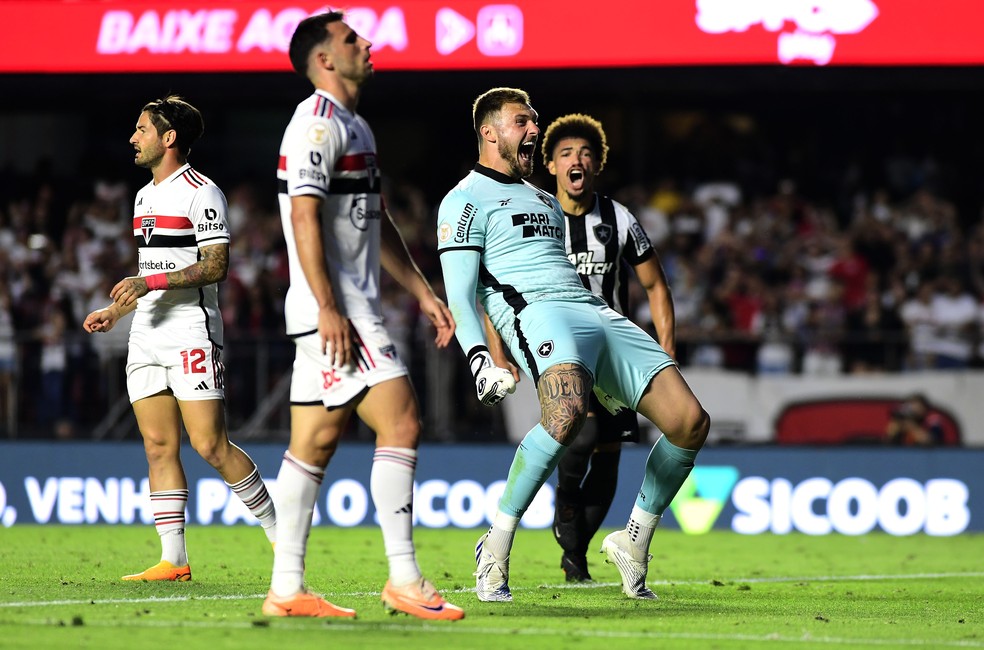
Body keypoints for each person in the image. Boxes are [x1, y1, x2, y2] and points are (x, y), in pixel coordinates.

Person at [437, 88, 709, 602]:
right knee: (564, 417)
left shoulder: (544, 199)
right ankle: (494, 546)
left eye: (534, 121)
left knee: (690, 422)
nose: (534, 130)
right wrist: (480, 359)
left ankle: (633, 543)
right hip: (536, 313)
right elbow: (460, 294)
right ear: (489, 131)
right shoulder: (463, 199)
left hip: (594, 311)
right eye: (523, 121)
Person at [263, 12, 463, 620]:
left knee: (314, 445)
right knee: (400, 421)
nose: (367, 43)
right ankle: (404, 578)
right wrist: (328, 307)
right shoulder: (317, 125)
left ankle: (287, 589)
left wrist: (422, 291)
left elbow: (373, 226)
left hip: (342, 306)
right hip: (338, 312)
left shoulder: (356, 125)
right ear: (325, 59)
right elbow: (302, 217)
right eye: (352, 39)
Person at [83, 95, 277, 581]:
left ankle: (283, 534)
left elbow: (216, 265)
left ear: (168, 138)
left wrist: (147, 283)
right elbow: (154, 269)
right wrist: (116, 309)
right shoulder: (144, 196)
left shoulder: (202, 192)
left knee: (210, 444)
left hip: (190, 329)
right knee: (157, 445)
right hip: (145, 331)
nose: (133, 137)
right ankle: (175, 559)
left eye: (142, 129)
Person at [485, 113, 676, 583]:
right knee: (581, 433)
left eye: (586, 154)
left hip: (610, 345)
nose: (578, 160)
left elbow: (656, 286)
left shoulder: (619, 219)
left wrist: (665, 350)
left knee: (610, 452)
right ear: (549, 164)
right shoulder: (532, 216)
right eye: (567, 153)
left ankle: (577, 554)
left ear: (597, 166)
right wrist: (497, 349)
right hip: (560, 347)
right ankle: (565, 502)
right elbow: (494, 285)